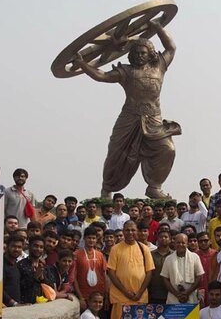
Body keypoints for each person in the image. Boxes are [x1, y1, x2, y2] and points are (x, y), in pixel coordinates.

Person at [72, 20, 180, 200]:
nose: (139, 56)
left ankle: (154, 187)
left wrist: (158, 27)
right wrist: (82, 64)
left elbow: (171, 47)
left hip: (153, 119)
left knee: (167, 149)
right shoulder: (126, 71)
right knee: (116, 153)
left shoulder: (159, 66)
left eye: (143, 53)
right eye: (136, 53)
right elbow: (102, 76)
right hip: (129, 118)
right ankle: (107, 188)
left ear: (150, 54)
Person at [107, 221, 155, 319]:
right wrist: (125, 291)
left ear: (137, 231)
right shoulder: (115, 249)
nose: (130, 233)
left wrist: (139, 293)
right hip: (120, 296)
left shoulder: (144, 249)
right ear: (123, 231)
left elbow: (149, 272)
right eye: (127, 230)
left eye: (133, 230)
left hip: (140, 297)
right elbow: (111, 272)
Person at [73, 226, 109, 312]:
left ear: (96, 239)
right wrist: (80, 297)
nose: (91, 240)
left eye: (93, 238)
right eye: (89, 238)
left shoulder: (100, 255)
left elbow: (105, 275)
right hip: (84, 297)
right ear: (84, 238)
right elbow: (73, 277)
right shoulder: (76, 255)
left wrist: (106, 296)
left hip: (99, 298)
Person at [161, 234, 204, 304]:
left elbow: (199, 276)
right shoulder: (168, 259)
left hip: (191, 297)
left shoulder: (195, 257)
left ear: (187, 244)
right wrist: (176, 294)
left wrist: (187, 292)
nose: (180, 244)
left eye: (183, 243)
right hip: (173, 298)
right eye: (178, 242)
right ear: (174, 244)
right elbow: (164, 278)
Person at [149, 230, 173, 305]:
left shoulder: (174, 255)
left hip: (171, 292)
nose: (163, 239)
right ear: (157, 239)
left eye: (166, 237)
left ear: (170, 239)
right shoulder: (151, 255)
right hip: (154, 293)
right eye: (161, 237)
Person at [3, 234, 25, 307]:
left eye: (19, 247)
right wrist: (13, 303)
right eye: (14, 246)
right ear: (7, 247)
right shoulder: (1, 265)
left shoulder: (16, 264)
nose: (16, 249)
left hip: (16, 308)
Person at [196, 231, 216, 306]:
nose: (203, 243)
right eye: (201, 241)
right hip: (199, 289)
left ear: (210, 241)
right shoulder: (194, 256)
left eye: (206, 240)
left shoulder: (216, 254)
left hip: (214, 290)